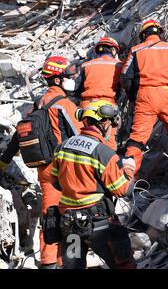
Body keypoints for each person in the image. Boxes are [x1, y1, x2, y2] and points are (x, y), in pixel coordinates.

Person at [0, 56, 82, 269]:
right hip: (67, 169)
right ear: (57, 79)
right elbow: (82, 137)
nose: (71, 79)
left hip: (45, 169)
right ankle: (69, 260)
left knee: (50, 215)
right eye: (67, 76)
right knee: (72, 215)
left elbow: (17, 138)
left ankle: (48, 262)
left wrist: (3, 163)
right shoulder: (64, 104)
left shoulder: (38, 105)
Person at [50, 100, 136, 269]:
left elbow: (56, 183)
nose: (111, 128)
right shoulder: (104, 153)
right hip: (99, 225)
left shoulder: (62, 147)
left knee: (73, 267)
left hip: (69, 226)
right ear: (103, 123)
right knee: (123, 264)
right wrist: (128, 169)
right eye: (110, 123)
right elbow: (122, 190)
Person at [121, 19, 168, 174]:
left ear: (143, 34)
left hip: (145, 96)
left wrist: (132, 98)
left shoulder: (136, 50)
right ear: (160, 33)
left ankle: (127, 178)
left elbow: (125, 78)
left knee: (137, 138)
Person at [74, 36, 123, 150]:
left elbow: (77, 89)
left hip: (87, 106)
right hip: (108, 107)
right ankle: (108, 166)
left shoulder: (86, 65)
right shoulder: (119, 65)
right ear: (113, 50)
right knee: (108, 142)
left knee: (87, 140)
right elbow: (123, 87)